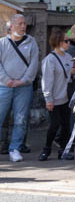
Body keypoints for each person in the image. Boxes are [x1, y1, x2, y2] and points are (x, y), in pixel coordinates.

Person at [0, 14, 40, 162]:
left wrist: (23, 80)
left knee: (20, 119)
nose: (23, 26)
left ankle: (15, 148)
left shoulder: (31, 42)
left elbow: (34, 64)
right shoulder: (2, 43)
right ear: (12, 26)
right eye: (20, 24)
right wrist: (6, 80)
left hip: (24, 87)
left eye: (25, 24)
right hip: (4, 86)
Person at [39, 28, 74, 161]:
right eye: (66, 41)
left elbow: (68, 78)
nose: (68, 43)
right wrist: (48, 99)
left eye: (69, 40)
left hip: (65, 97)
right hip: (53, 98)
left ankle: (63, 150)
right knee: (54, 125)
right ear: (58, 42)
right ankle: (46, 150)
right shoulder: (50, 60)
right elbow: (46, 80)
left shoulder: (69, 57)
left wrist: (72, 73)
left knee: (66, 125)